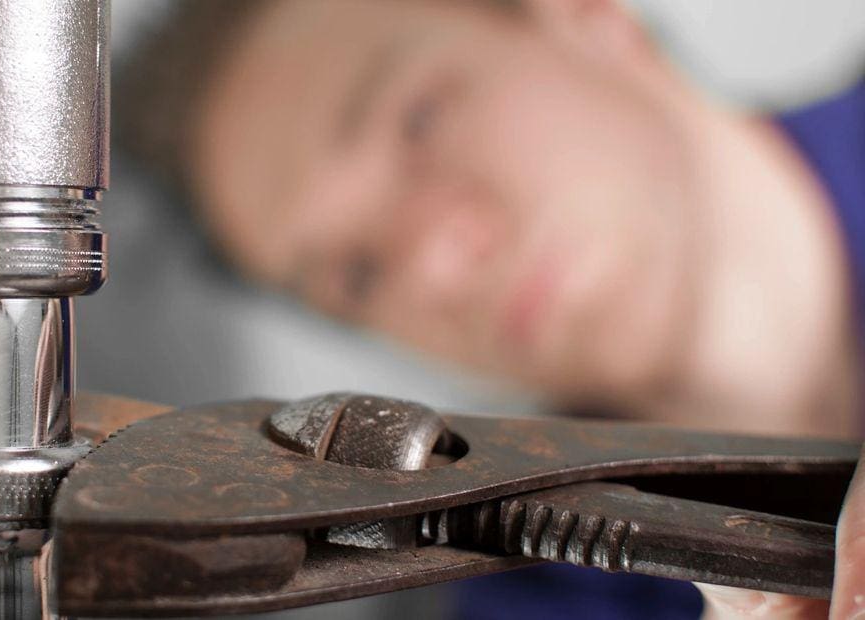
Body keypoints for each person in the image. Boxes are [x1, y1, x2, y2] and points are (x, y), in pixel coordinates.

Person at [117, 0, 865, 618]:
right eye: (358, 274)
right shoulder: (526, 594)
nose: (437, 264)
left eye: (419, 120)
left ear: (582, 14)